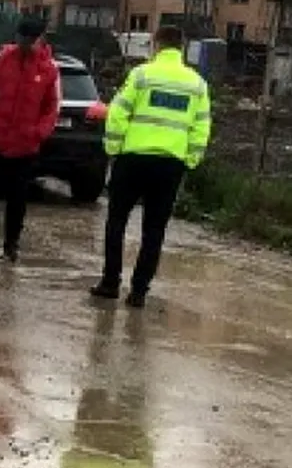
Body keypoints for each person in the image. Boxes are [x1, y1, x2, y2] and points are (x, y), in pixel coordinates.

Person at [90, 24, 212, 308]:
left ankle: (110, 283)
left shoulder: (142, 75)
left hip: (133, 159)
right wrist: (190, 159)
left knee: (117, 221)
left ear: (156, 45)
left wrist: (113, 148)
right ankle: (139, 292)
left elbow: (118, 113)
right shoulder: (196, 84)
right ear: (181, 48)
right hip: (170, 165)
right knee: (154, 229)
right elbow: (201, 125)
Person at [0, 16, 61, 262]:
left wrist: (39, 133)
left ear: (40, 40)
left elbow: (51, 107)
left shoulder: (49, 69)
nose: (24, 44)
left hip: (25, 146)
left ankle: (11, 243)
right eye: (21, 39)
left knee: (18, 198)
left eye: (30, 40)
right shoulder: (2, 60)